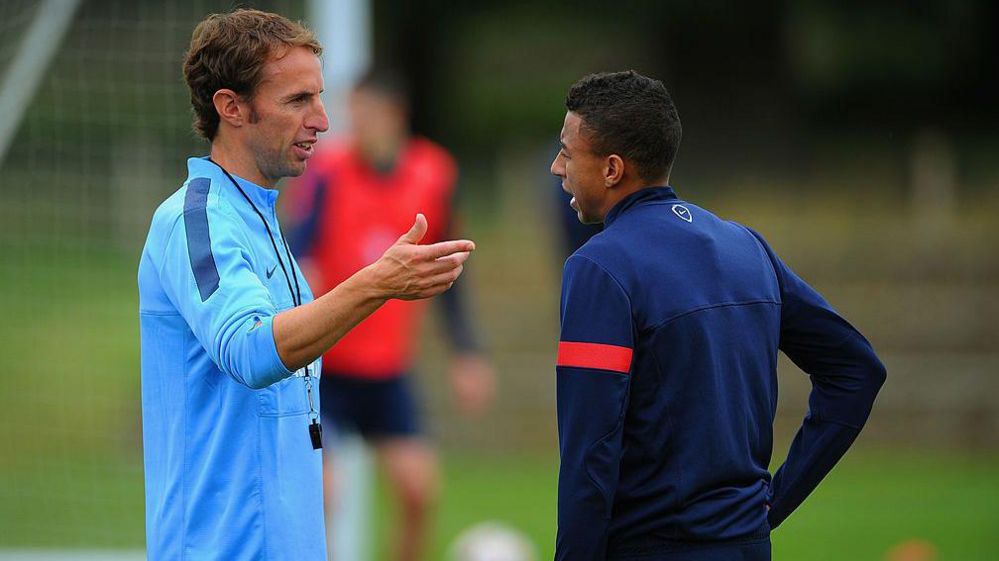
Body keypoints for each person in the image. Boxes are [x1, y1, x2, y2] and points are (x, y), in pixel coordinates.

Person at [137, 10, 474, 561]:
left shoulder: (265, 220)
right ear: (231, 107)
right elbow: (249, 348)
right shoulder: (195, 219)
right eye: (298, 101)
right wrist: (376, 283)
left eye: (319, 98)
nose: (322, 120)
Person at [550, 70, 886, 561]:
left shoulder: (599, 267)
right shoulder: (746, 247)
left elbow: (589, 454)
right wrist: (770, 506)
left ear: (612, 169)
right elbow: (856, 370)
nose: (556, 167)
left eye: (566, 152)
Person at [289, 69, 495, 561]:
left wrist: (467, 353)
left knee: (419, 490)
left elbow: (448, 269)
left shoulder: (434, 172)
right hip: (326, 368)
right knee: (322, 494)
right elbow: (297, 248)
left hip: (388, 370)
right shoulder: (328, 171)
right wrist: (305, 276)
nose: (356, 125)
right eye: (352, 114)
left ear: (395, 116)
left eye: (367, 115)